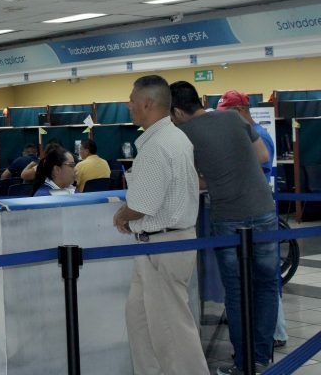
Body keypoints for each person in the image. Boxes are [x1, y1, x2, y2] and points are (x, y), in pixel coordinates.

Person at [170, 81, 277, 374]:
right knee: (267, 285)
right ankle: (261, 358)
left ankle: (243, 364)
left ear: (177, 111)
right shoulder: (233, 117)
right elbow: (262, 157)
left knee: (237, 291)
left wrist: (214, 179)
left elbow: (191, 182)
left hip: (228, 217)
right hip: (264, 210)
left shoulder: (183, 135)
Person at [111, 75, 209, 375]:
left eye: (132, 99)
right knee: (140, 321)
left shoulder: (157, 146)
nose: (128, 105)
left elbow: (142, 206)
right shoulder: (175, 138)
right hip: (157, 244)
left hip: (163, 245)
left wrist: (122, 216)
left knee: (172, 330)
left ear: (147, 103)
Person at [216, 89, 288, 350]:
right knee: (259, 280)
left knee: (263, 281)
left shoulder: (258, 136)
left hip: (255, 213)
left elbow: (253, 170)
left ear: (239, 111)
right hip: (254, 211)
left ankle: (273, 335)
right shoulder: (249, 134)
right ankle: (264, 340)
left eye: (226, 114)